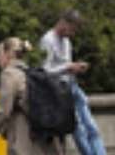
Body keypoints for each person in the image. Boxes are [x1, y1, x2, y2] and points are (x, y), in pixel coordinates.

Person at [0, 36, 60, 155]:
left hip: (22, 141)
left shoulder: (9, 74)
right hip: (42, 141)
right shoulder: (30, 73)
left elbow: (3, 113)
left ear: (8, 54)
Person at [41, 11, 104, 155]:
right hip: (60, 90)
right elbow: (44, 70)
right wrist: (67, 67)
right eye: (72, 29)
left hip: (72, 85)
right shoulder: (48, 40)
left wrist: (75, 68)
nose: (73, 34)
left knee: (91, 126)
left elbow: (65, 65)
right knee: (79, 129)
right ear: (63, 23)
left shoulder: (66, 41)